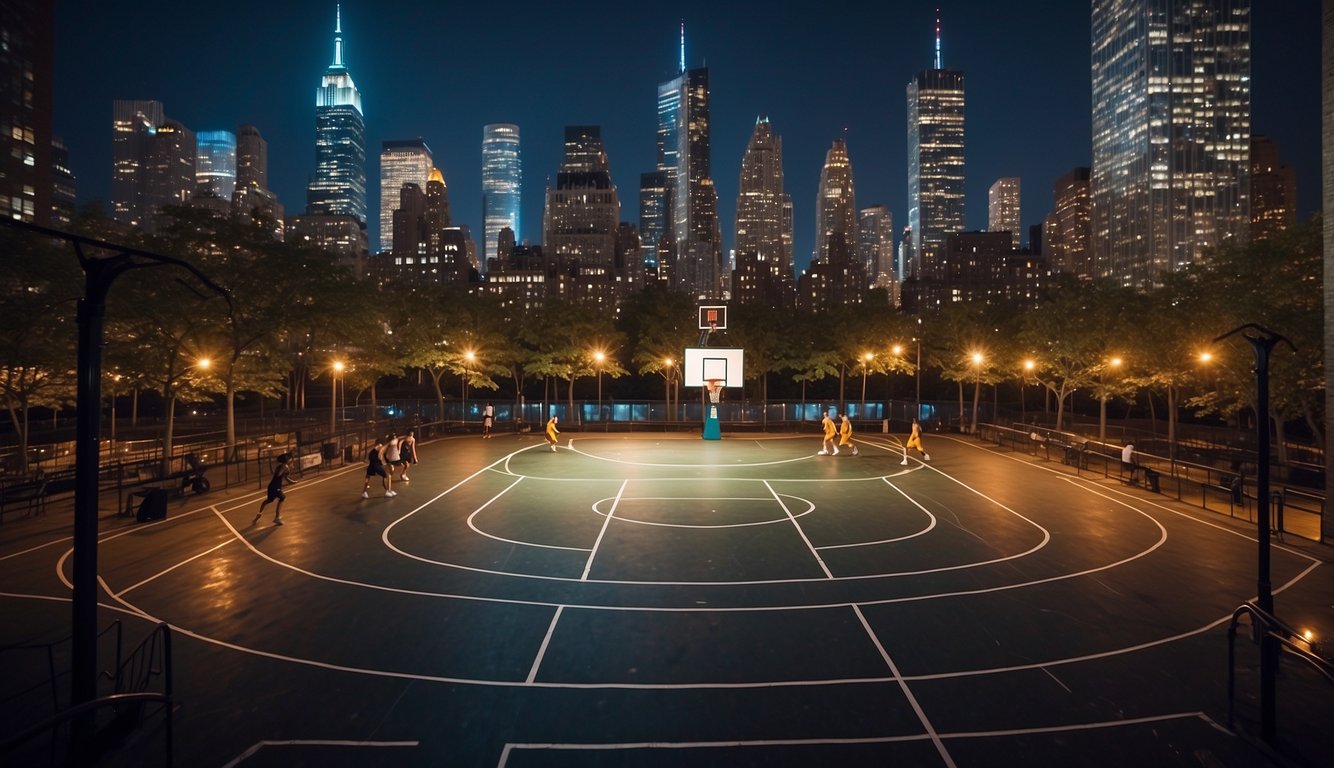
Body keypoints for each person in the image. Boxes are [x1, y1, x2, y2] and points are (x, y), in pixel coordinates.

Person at [254, 453, 294, 525]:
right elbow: (279, 474)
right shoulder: (284, 466)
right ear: (286, 460)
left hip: (271, 486)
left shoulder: (279, 466)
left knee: (269, 500)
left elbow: (284, 477)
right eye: (288, 459)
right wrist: (286, 470)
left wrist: (292, 482)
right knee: (282, 498)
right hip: (276, 486)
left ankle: (259, 513)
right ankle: (277, 518)